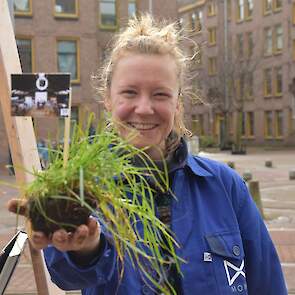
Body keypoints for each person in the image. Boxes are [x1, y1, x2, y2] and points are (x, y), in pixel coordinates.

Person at [8, 15, 287, 295]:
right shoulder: (81, 189)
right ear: (107, 99)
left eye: (160, 95)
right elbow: (66, 276)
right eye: (129, 92)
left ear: (178, 102)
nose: (144, 108)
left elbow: (268, 282)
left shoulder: (225, 186)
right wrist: (87, 249)